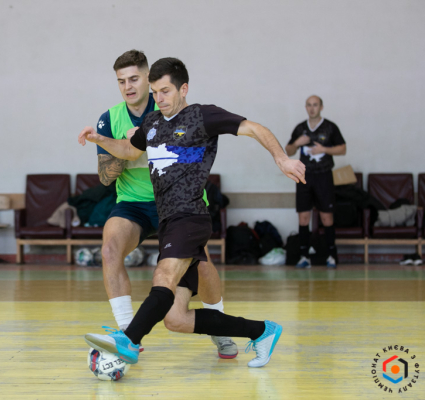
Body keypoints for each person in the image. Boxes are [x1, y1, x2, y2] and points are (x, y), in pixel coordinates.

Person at [79, 57, 305, 368]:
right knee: (176, 318)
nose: (159, 98)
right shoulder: (152, 123)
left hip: (190, 217)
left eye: (166, 91)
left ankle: (128, 340)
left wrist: (282, 159)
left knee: (163, 276)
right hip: (168, 220)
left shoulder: (202, 115)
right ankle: (262, 331)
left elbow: (254, 128)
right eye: (155, 92)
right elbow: (130, 150)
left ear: (183, 89)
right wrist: (99, 139)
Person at [91, 49, 236, 358]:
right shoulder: (109, 119)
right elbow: (105, 177)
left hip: (179, 201)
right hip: (133, 202)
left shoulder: (170, 108)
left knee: (203, 266)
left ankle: (220, 327)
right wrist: (128, 146)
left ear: (149, 79)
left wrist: (148, 141)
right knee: (109, 249)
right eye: (121, 81)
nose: (128, 87)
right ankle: (128, 333)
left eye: (134, 79)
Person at [285, 96, 346, 269]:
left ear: (321, 107)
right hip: (304, 176)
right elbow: (288, 151)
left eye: (315, 105)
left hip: (323, 176)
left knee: (326, 216)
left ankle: (331, 256)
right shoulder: (300, 128)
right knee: (304, 216)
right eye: (309, 105)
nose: (312, 108)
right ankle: (304, 256)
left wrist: (324, 149)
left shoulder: (330, 127)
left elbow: (343, 149)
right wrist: (297, 143)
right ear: (306, 107)